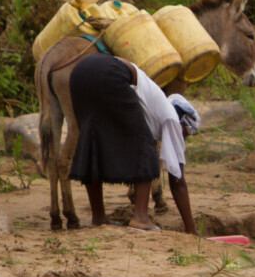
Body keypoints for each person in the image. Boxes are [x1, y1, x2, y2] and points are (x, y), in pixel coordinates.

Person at [67, 53, 200, 234]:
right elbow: (177, 180)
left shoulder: (151, 104)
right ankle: (140, 218)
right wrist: (191, 230)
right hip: (109, 72)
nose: (183, 139)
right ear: (183, 123)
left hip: (79, 73)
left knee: (93, 140)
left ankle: (98, 218)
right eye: (186, 134)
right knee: (146, 147)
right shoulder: (171, 117)